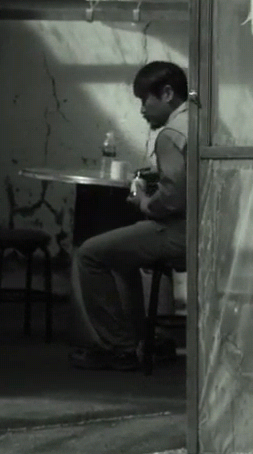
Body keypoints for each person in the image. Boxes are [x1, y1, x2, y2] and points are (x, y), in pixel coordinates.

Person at [69, 61, 189, 372]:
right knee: (122, 256)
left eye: (144, 100)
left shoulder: (171, 134)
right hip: (208, 231)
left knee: (90, 254)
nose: (142, 109)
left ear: (167, 93)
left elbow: (173, 198)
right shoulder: (201, 122)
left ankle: (118, 347)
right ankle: (146, 341)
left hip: (180, 233)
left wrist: (145, 202)